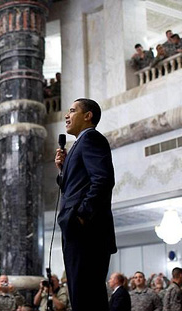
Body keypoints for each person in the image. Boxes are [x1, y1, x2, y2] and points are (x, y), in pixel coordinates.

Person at [55, 98, 116, 311]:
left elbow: (103, 179)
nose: (66, 115)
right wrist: (62, 169)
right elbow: (74, 187)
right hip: (77, 229)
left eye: (72, 111)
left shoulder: (91, 139)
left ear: (88, 115)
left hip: (86, 230)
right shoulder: (78, 144)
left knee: (88, 297)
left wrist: (82, 216)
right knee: (81, 296)